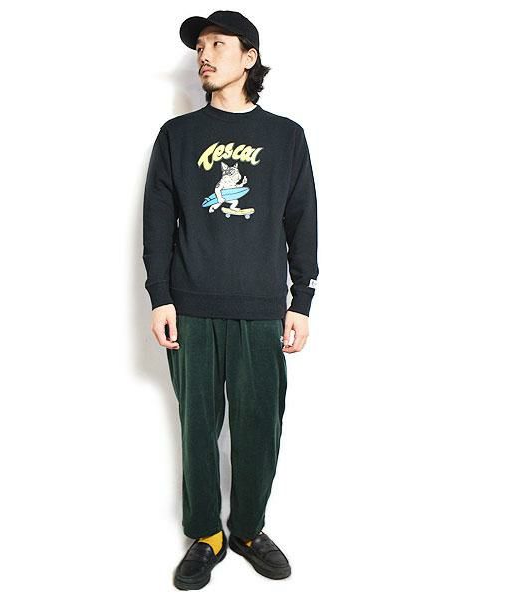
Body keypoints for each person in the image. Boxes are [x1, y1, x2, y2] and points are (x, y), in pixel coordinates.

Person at [142, 10, 319, 590]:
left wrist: (301, 300)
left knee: (259, 429)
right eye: (200, 46)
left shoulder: (286, 137)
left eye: (218, 43)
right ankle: (205, 535)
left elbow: (302, 221)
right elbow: (157, 222)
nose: (204, 54)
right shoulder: (177, 136)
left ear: (249, 57)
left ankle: (246, 529)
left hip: (262, 308)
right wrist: (160, 297)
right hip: (190, 308)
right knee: (197, 430)